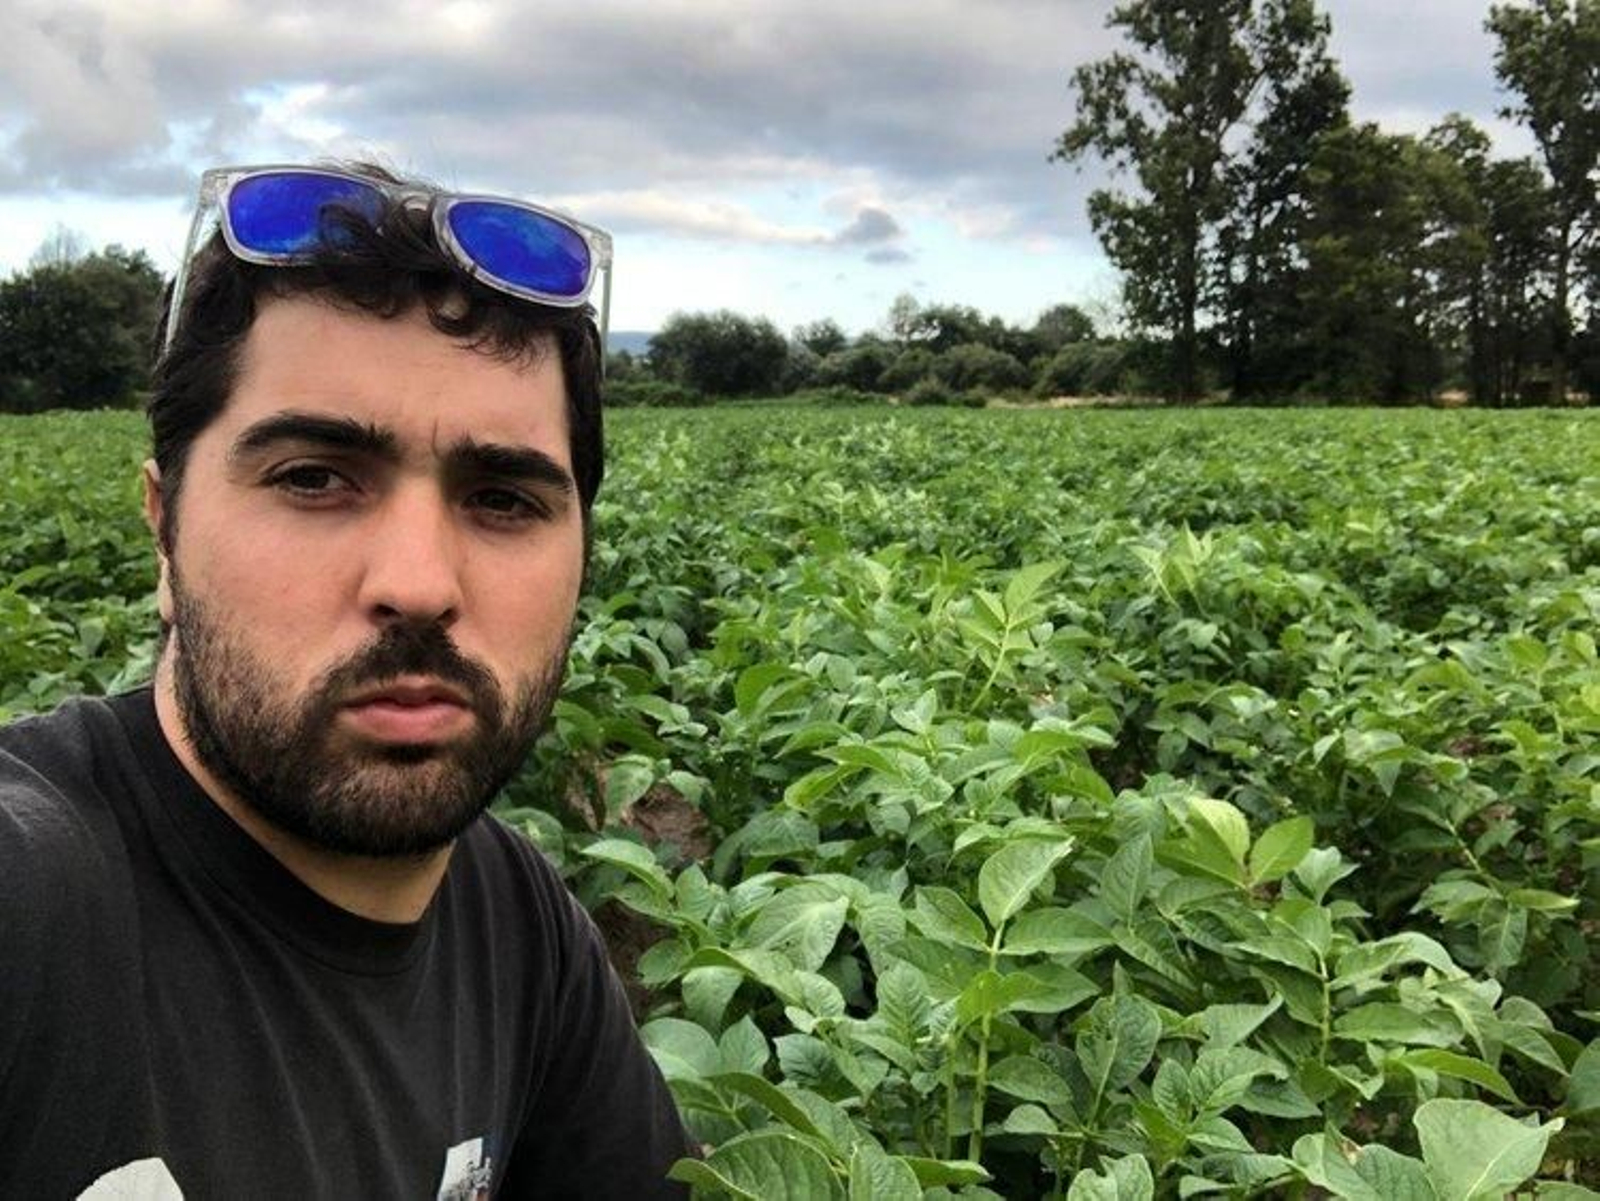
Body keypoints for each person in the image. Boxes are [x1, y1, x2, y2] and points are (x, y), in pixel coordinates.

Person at [0, 162, 693, 1197]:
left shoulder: (519, 923)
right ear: (163, 532)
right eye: (313, 478)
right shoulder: (34, 904)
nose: (417, 584)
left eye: (503, 498)